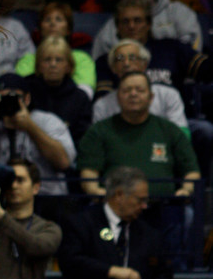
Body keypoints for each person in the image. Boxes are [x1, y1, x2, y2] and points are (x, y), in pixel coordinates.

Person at [78, 71, 201, 199]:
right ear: (118, 97)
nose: (133, 94)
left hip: (163, 207)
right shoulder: (99, 131)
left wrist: (186, 190)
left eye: (140, 90)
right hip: (116, 207)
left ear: (151, 97)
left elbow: (191, 171)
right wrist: (95, 190)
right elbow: (89, 171)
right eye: (127, 90)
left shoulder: (170, 130)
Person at [0, 73, 76, 197]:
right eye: (2, 97)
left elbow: (63, 163)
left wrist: (30, 127)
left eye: (13, 97)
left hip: (45, 196)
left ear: (27, 99)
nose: (8, 101)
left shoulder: (46, 121)